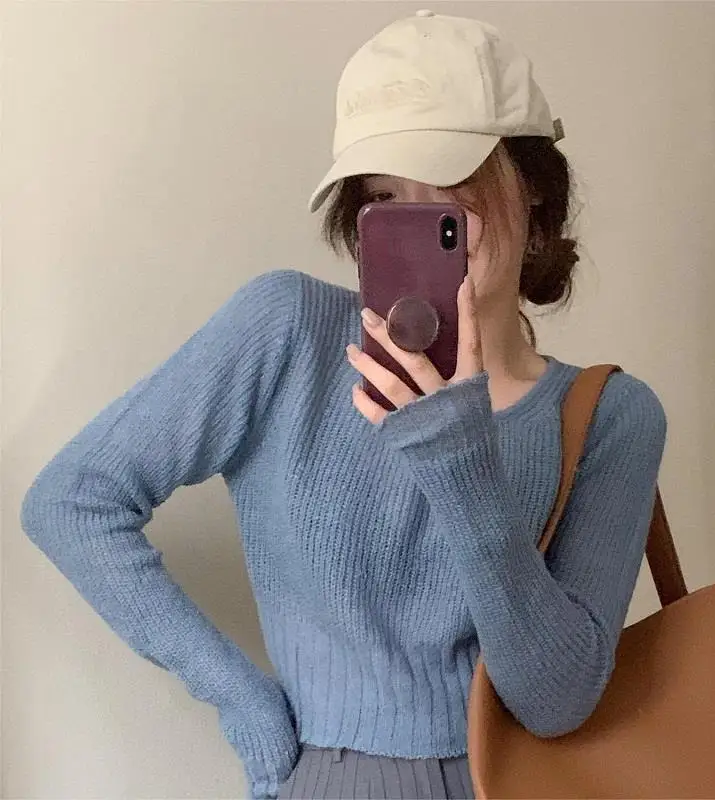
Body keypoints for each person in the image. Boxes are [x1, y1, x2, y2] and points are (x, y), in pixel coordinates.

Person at [20, 10, 667, 800]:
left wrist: (460, 458)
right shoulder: (287, 332)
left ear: (531, 183)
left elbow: (557, 701)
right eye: (387, 196)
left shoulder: (610, 417)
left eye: (451, 182)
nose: (427, 220)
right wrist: (242, 700)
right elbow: (70, 501)